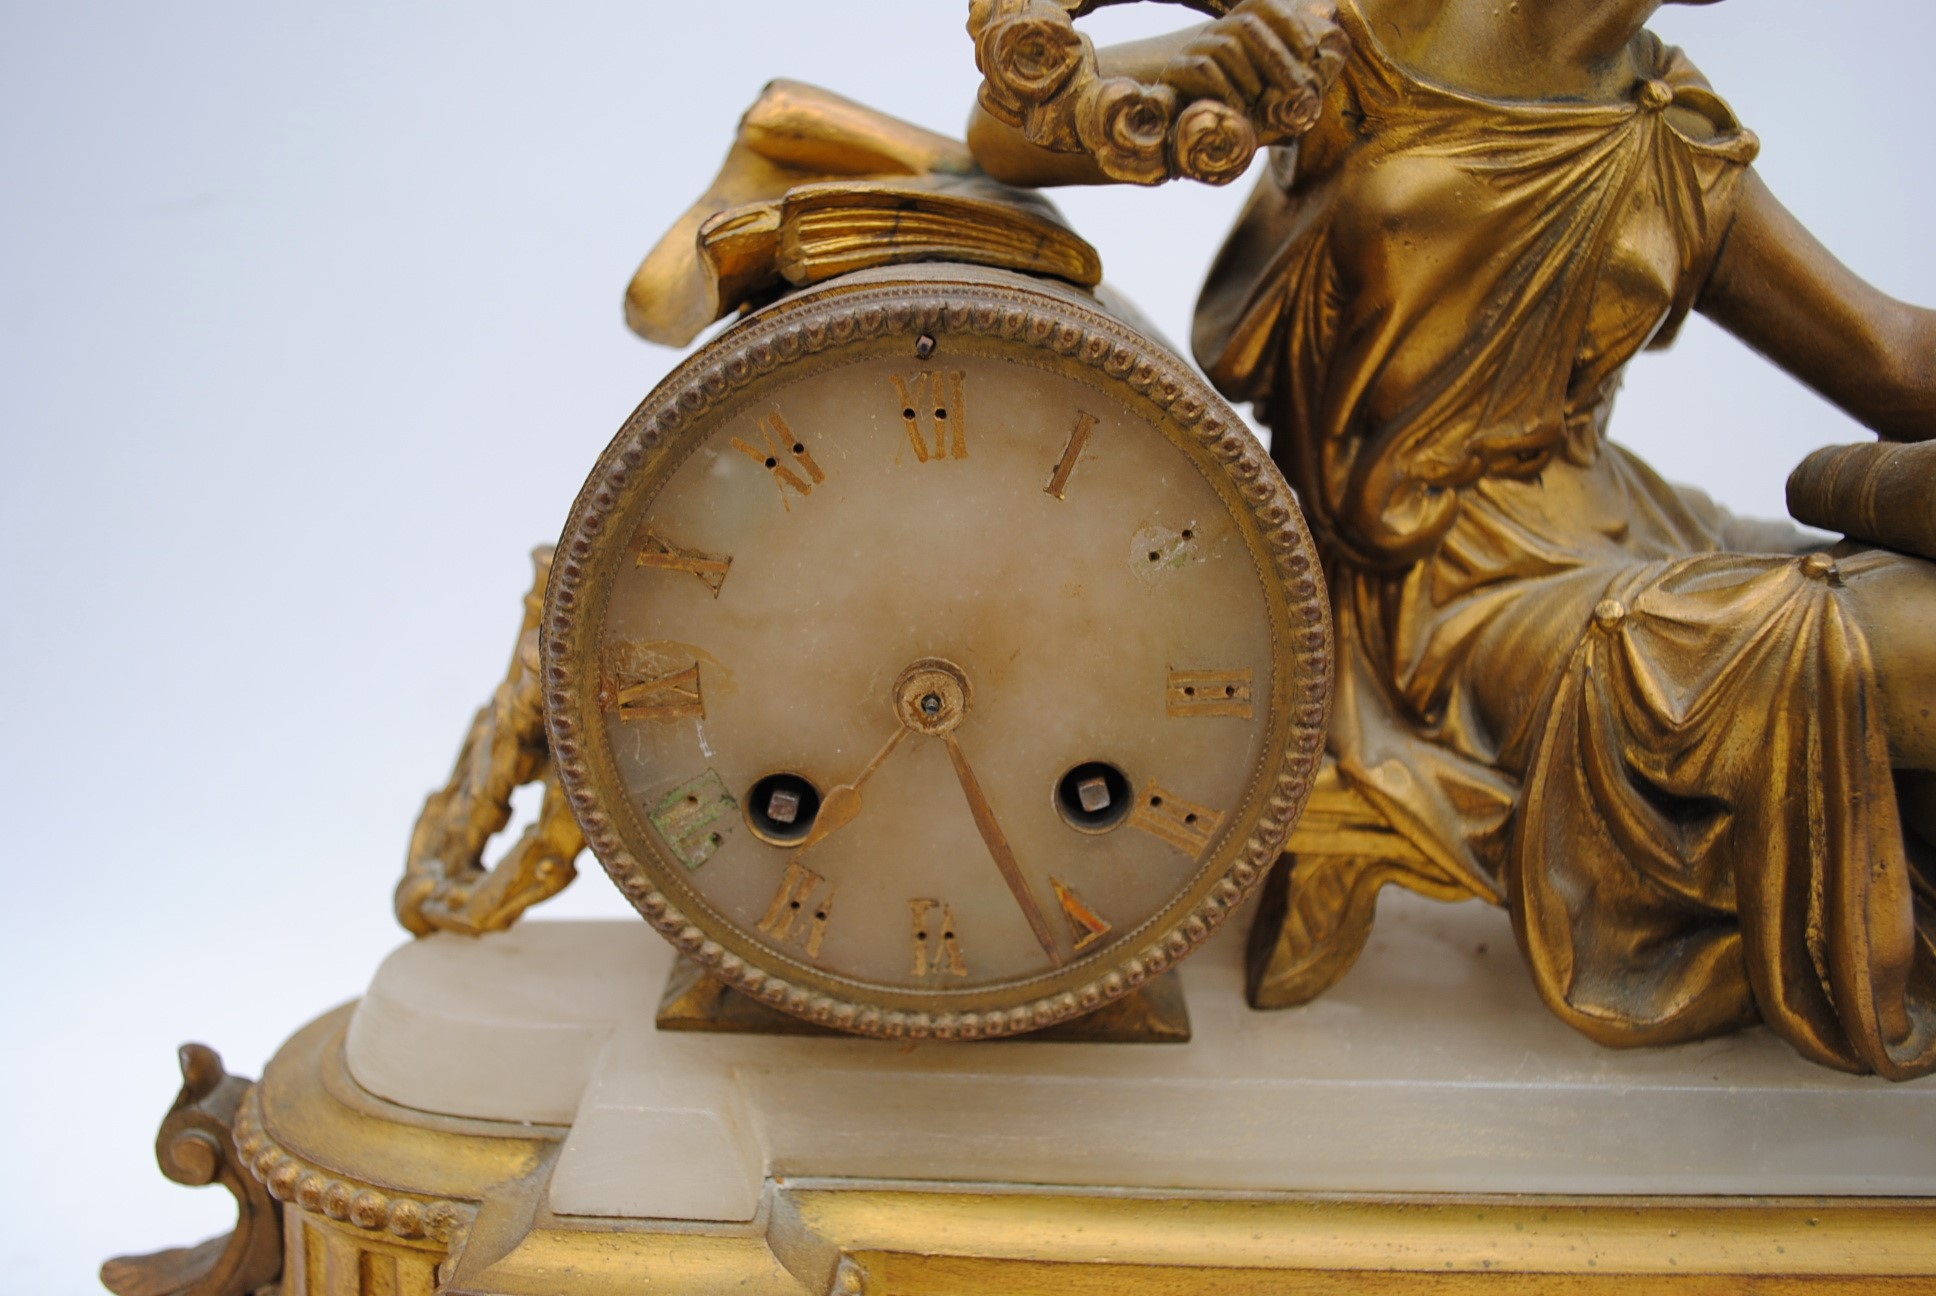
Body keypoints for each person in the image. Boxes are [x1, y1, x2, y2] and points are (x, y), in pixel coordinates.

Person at [971, 0, 1936, 1077]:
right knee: (1893, 645)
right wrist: (1182, 60)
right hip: (1430, 604)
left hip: (1628, 532)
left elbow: (1893, 362)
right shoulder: (1356, 39)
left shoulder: (1662, 124)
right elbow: (1006, 138)